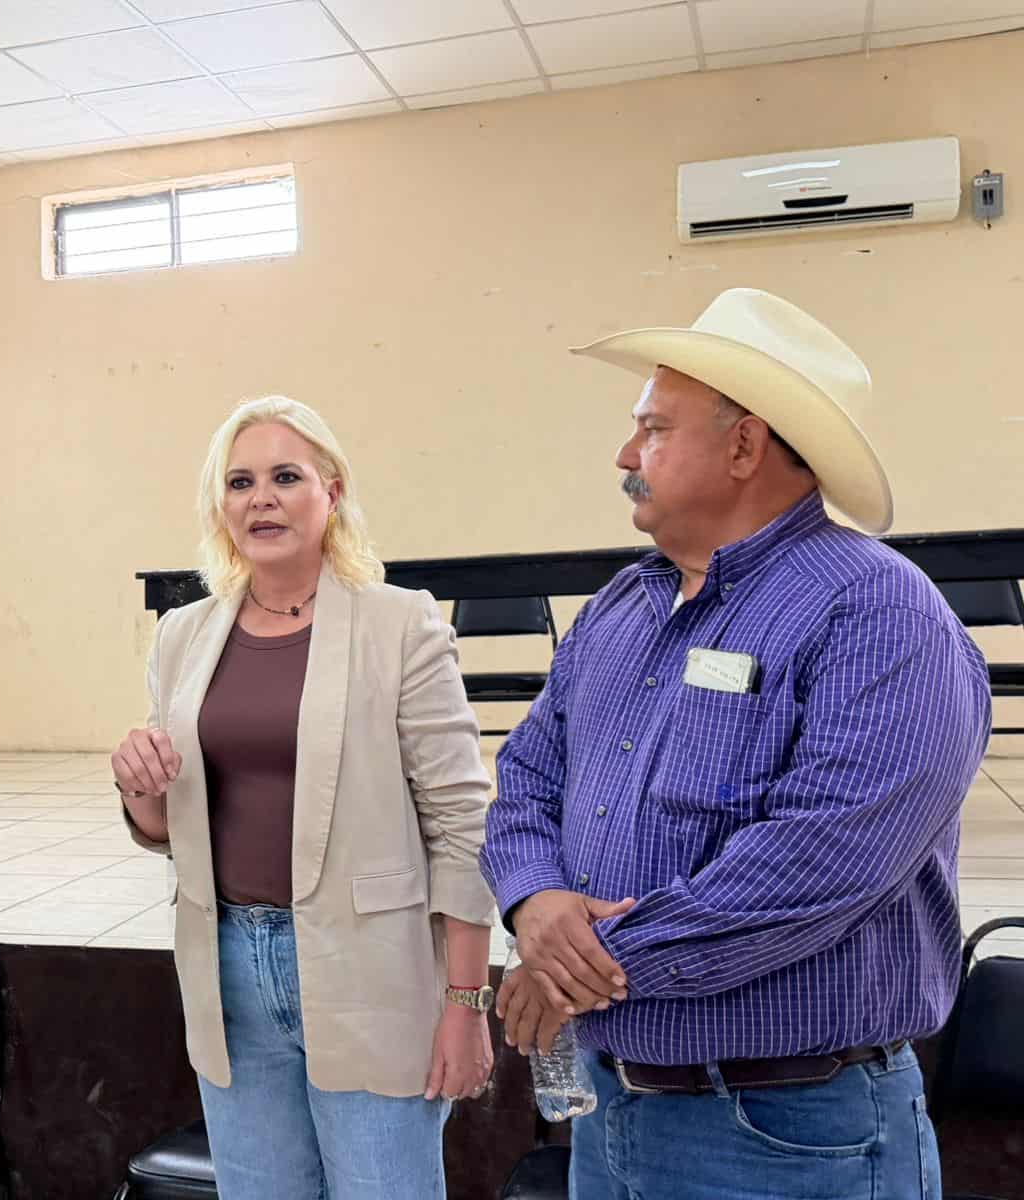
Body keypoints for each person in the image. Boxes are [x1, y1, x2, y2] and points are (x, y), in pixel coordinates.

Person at [482, 289, 991, 1200]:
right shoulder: (621, 609)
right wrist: (533, 901)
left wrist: (584, 968)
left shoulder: (877, 610)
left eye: (653, 430)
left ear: (745, 445)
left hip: (789, 1137)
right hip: (614, 1120)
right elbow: (527, 776)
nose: (625, 455)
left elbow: (820, 862)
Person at [113, 395, 496, 1199]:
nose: (262, 498)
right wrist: (137, 785)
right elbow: (166, 826)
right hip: (229, 973)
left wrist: (465, 1001)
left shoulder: (401, 625)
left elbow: (463, 825)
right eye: (240, 481)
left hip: (372, 968)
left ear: (332, 490)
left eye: (286, 477)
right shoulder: (184, 633)